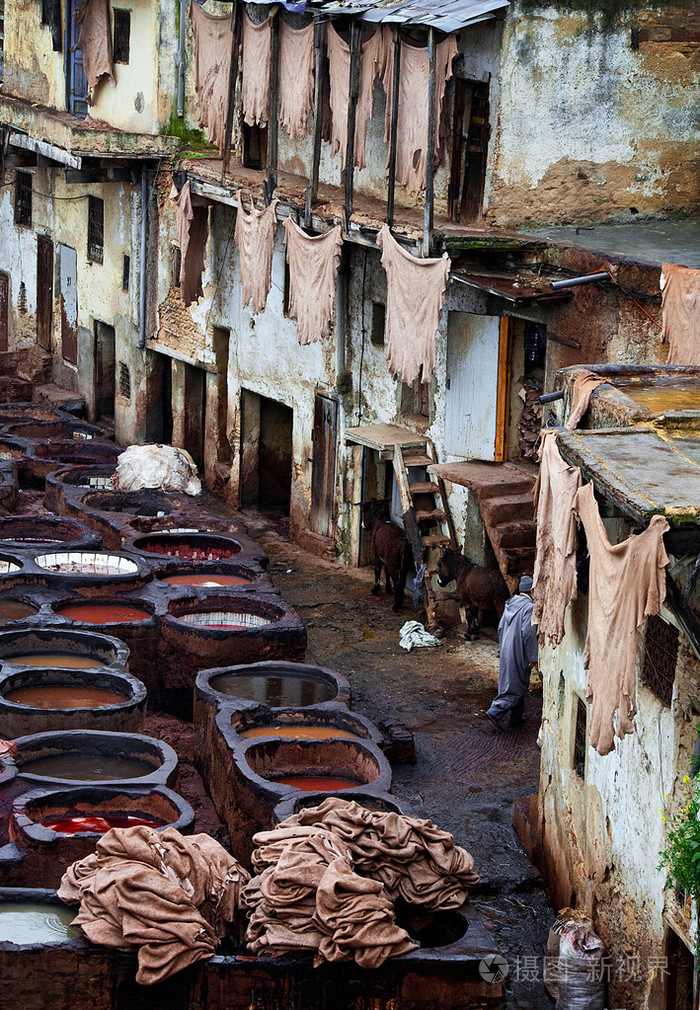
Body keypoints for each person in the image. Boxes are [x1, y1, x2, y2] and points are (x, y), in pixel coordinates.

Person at [486, 575, 538, 731]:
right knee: (516, 683)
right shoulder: (529, 607)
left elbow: (500, 628)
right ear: (532, 591)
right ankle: (495, 712)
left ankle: (516, 717)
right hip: (518, 649)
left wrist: (503, 648)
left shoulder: (511, 603)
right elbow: (528, 633)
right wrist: (533, 656)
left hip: (507, 648)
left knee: (512, 681)